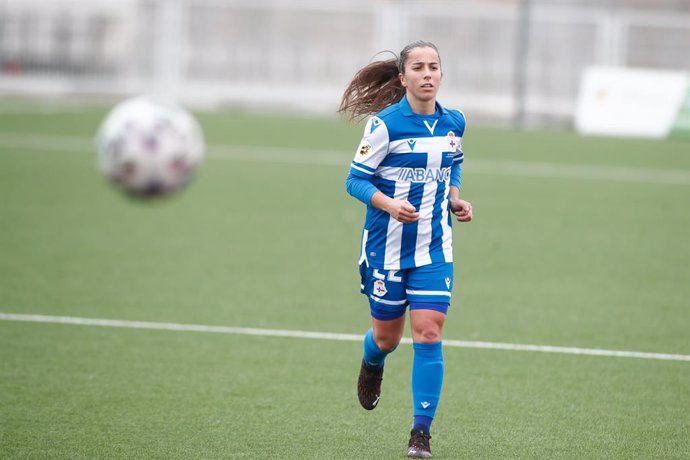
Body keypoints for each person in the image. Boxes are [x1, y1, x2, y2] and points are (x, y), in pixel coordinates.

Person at [339, 40, 473, 459]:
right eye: (419, 67)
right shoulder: (384, 126)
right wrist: (389, 204)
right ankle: (372, 360)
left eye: (434, 66)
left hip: (434, 248)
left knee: (429, 333)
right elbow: (354, 180)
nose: (428, 74)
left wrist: (453, 197)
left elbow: (453, 161)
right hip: (387, 249)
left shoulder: (455, 121)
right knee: (387, 337)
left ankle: (420, 434)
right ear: (403, 77)